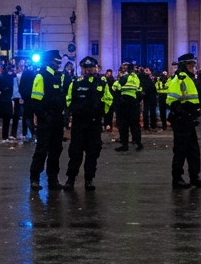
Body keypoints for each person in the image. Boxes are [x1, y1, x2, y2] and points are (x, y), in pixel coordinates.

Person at [63, 56, 111, 191]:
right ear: (82, 69)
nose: (89, 70)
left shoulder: (101, 83)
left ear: (95, 68)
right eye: (86, 68)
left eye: (91, 67)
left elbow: (108, 100)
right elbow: (68, 100)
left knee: (93, 152)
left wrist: (101, 115)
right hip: (79, 123)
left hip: (94, 124)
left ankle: (89, 179)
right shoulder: (76, 83)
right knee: (75, 152)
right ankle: (70, 179)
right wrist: (72, 115)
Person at [167, 52, 201, 188]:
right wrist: (182, 112)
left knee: (193, 150)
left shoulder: (189, 78)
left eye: (193, 64)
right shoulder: (179, 79)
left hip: (189, 118)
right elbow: (172, 99)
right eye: (190, 64)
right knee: (180, 150)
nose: (193, 66)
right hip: (181, 119)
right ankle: (177, 178)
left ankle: (194, 176)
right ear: (184, 65)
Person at [28, 50, 67, 189]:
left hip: (57, 118)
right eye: (57, 61)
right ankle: (35, 178)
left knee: (56, 150)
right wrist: (43, 116)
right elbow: (35, 100)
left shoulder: (58, 76)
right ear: (50, 61)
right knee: (42, 150)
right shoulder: (42, 76)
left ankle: (53, 179)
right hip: (47, 119)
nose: (59, 64)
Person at [114, 62, 142, 152]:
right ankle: (138, 143)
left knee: (123, 125)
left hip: (124, 102)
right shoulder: (136, 77)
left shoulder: (124, 77)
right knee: (135, 125)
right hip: (134, 103)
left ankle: (124, 145)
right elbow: (139, 89)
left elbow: (116, 87)